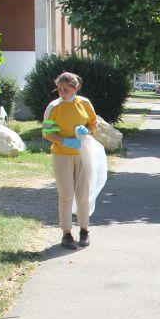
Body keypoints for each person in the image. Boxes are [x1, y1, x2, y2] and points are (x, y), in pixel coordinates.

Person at [42, 72, 97, 250]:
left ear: (76, 88)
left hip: (83, 152)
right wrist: (65, 140)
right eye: (59, 89)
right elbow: (48, 132)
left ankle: (84, 230)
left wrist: (86, 131)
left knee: (83, 193)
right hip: (62, 154)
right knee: (66, 193)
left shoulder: (84, 103)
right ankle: (66, 233)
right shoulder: (54, 107)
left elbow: (93, 124)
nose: (62, 93)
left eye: (66, 90)